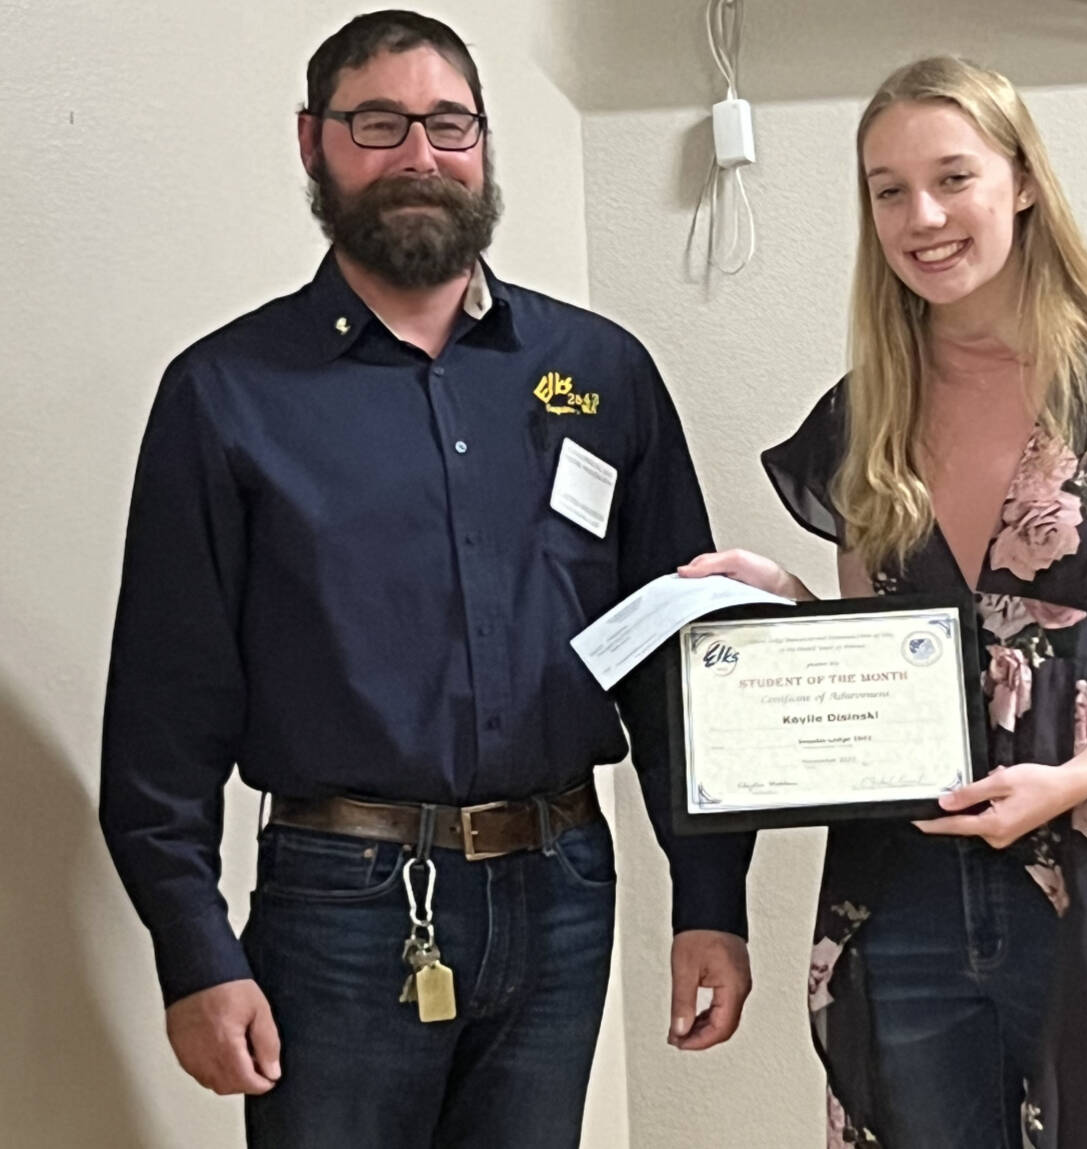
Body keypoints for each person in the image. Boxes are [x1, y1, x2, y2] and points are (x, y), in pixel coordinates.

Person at [99, 11, 753, 1148]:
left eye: (448, 124)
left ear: (484, 144)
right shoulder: (225, 395)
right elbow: (164, 712)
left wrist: (710, 903)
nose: (418, 155)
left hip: (561, 888)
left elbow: (672, 666)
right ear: (313, 144)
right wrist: (193, 952)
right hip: (338, 907)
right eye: (378, 124)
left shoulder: (597, 374)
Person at [681, 55, 1087, 1149]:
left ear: (1023, 181)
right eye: (886, 189)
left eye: (952, 177)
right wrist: (783, 601)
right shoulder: (865, 417)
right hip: (900, 888)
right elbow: (887, 654)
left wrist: (1072, 779)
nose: (922, 215)